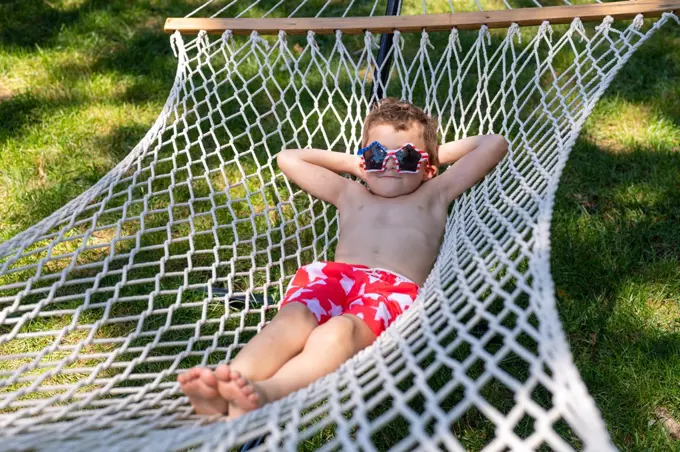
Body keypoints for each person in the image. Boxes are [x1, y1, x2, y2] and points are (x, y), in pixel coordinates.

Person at [178, 98, 508, 419]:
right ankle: (229, 382)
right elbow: (288, 159)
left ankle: (266, 393)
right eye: (377, 155)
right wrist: (353, 164)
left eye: (406, 158)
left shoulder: (434, 193)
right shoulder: (349, 193)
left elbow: (494, 144)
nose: (390, 164)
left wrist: (431, 156)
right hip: (333, 279)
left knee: (336, 333)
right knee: (292, 317)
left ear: (429, 168)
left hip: (389, 293)